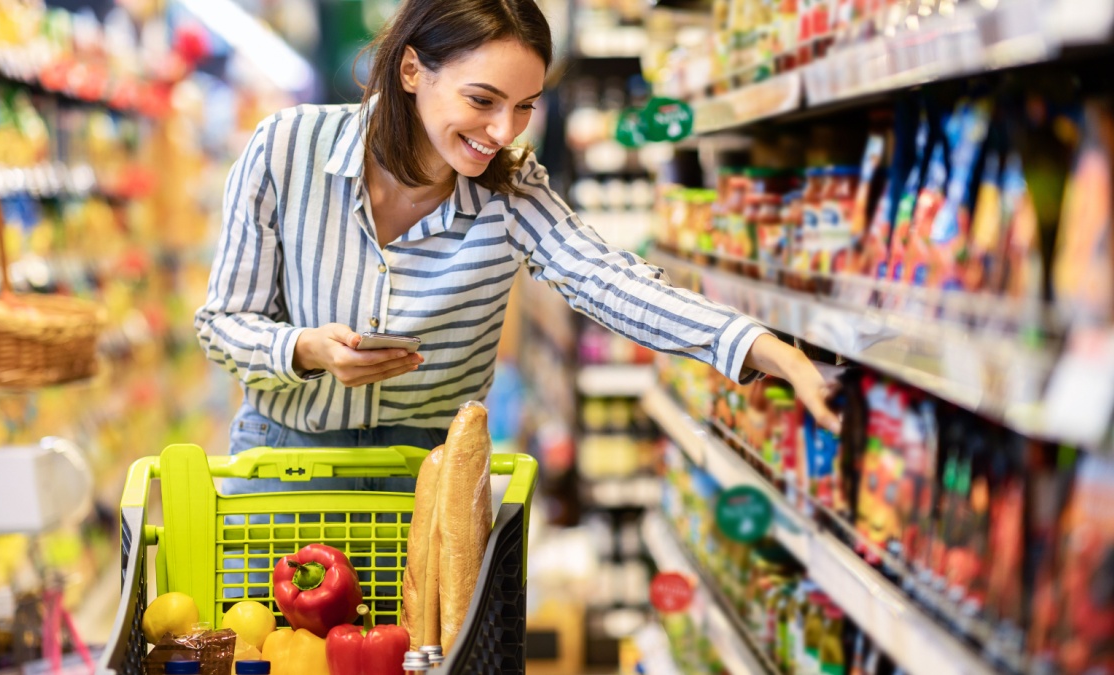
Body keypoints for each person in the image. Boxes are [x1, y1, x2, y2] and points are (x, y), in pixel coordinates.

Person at [195, 0, 840, 497]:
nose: (502, 132)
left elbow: (608, 280)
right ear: (412, 69)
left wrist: (766, 349)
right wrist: (303, 349)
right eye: (482, 100)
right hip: (284, 469)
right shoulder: (287, 147)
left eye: (525, 107)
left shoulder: (511, 188)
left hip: (431, 482)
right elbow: (221, 324)